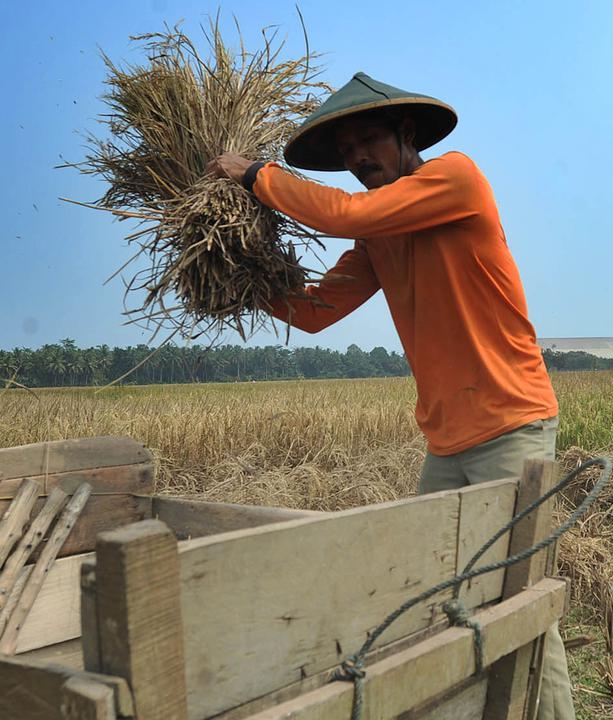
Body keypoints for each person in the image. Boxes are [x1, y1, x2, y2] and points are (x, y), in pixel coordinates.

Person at [206, 72, 573, 720]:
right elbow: (314, 309)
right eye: (346, 150)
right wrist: (233, 276)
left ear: (407, 134)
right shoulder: (379, 235)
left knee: (519, 601)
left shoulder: (457, 180)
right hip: (446, 439)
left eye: (368, 139)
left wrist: (254, 174)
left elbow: (343, 212)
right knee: (433, 592)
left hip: (512, 425)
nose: (357, 158)